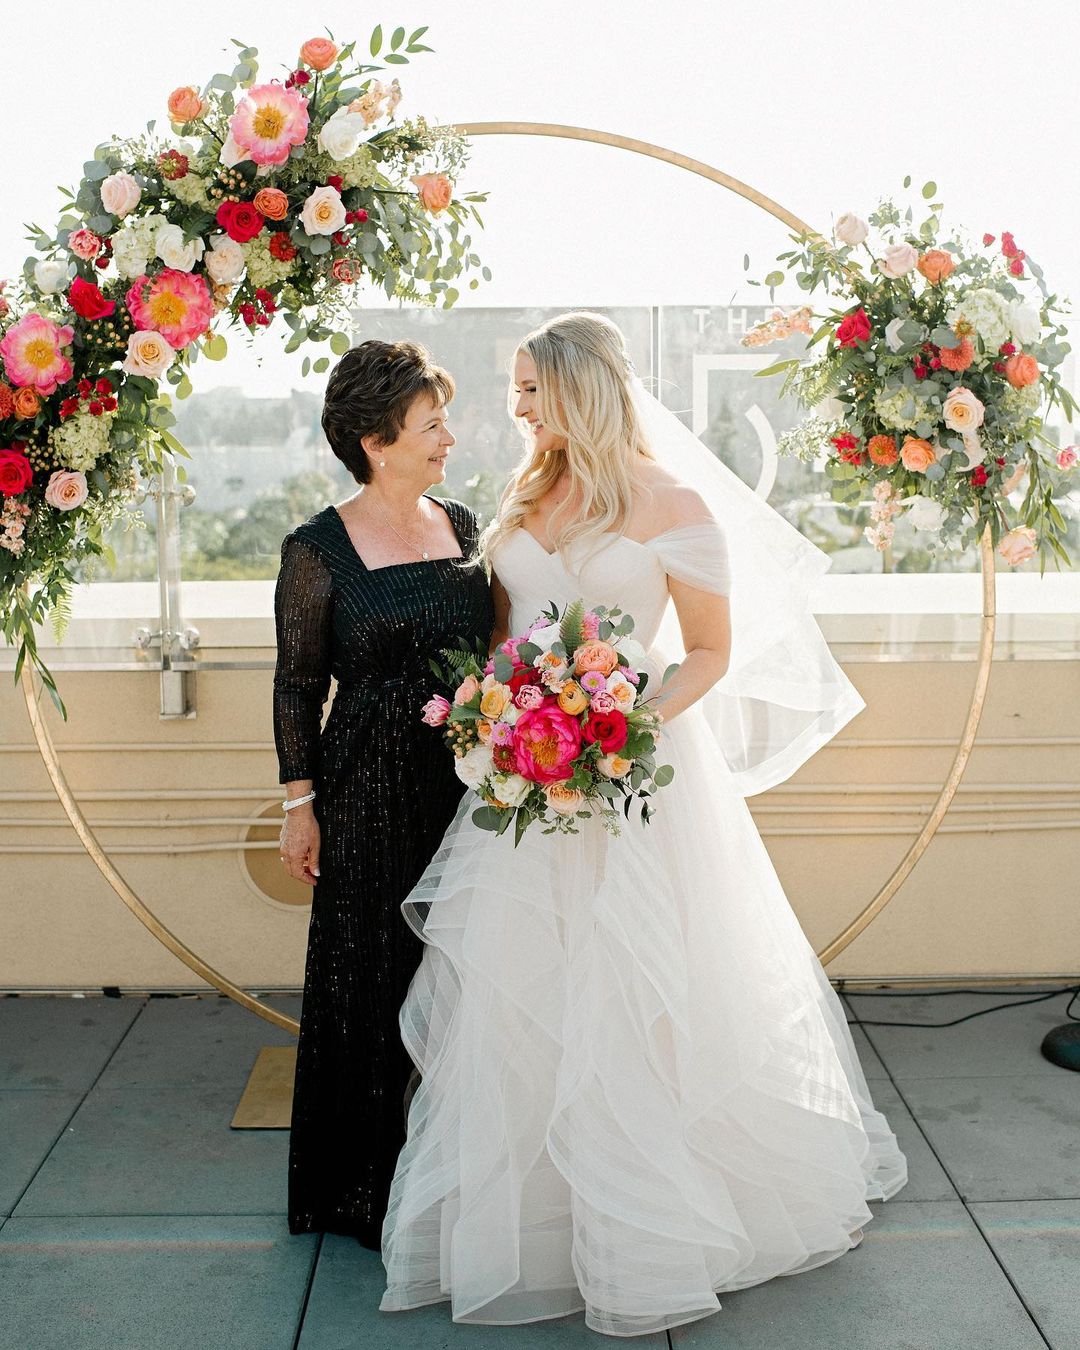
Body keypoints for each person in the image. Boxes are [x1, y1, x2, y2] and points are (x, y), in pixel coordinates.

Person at [379, 313, 907, 1336]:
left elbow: (708, 649)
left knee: (648, 986)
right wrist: (502, 719)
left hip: (640, 782)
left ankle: (661, 1221)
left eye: (530, 388)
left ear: (579, 388)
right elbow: (505, 639)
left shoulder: (675, 502)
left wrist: (617, 726)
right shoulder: (527, 492)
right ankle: (541, 1221)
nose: (516, 407)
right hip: (528, 788)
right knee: (526, 993)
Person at [273, 339, 494, 1248]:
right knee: (367, 981)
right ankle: (355, 1189)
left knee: (465, 975)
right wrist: (300, 803)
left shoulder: (470, 525)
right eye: (429, 422)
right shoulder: (316, 548)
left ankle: (459, 1178)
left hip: (472, 785)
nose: (448, 434)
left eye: (443, 418)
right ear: (375, 440)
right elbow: (296, 684)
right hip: (364, 788)